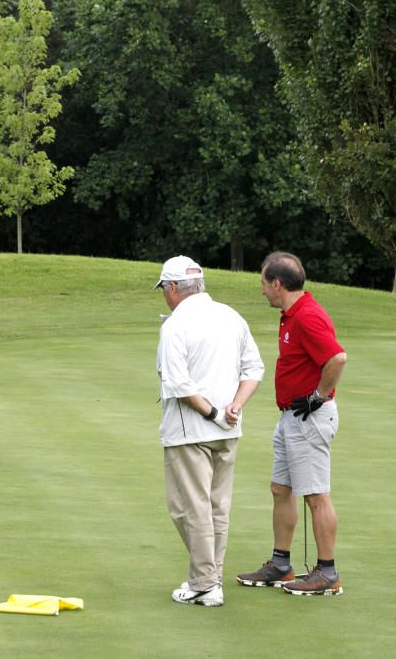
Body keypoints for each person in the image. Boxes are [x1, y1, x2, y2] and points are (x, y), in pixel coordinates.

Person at [154, 255, 264, 607]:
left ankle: (204, 583)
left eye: (164, 289)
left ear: (174, 287)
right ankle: (210, 579)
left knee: (189, 508)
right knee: (217, 506)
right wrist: (236, 407)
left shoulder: (174, 325)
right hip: (228, 429)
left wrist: (217, 412)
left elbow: (179, 384)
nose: (164, 296)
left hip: (192, 431)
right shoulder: (231, 316)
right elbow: (253, 369)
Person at [236, 251, 346, 595]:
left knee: (315, 496)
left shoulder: (307, 316)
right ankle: (281, 564)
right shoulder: (292, 314)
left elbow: (336, 358)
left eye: (263, 283)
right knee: (280, 489)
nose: (262, 290)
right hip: (291, 418)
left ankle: (327, 573)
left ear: (277, 283)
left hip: (309, 418)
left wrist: (317, 396)